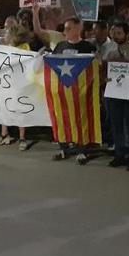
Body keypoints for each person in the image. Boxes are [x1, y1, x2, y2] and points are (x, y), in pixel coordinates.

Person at [100, 21, 129, 171]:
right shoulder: (108, 49)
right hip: (113, 92)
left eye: (119, 33)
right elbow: (104, 68)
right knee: (116, 125)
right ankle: (119, 154)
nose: (116, 36)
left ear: (128, 34)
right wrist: (105, 79)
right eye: (114, 33)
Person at [50, 17, 96, 162]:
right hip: (62, 90)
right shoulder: (60, 46)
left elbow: (94, 67)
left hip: (80, 91)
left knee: (80, 118)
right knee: (61, 118)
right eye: (65, 28)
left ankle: (82, 149)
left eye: (69, 28)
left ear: (78, 29)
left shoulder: (87, 47)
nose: (65, 31)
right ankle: (63, 147)